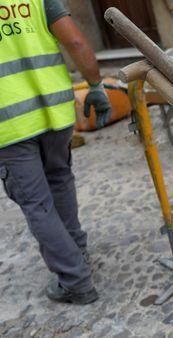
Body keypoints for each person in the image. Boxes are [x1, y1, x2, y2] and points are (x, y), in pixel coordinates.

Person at [0, 0, 110, 304]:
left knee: (36, 203)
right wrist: (96, 86)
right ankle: (78, 254)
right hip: (55, 111)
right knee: (60, 180)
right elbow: (75, 40)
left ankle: (76, 280)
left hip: (9, 124)